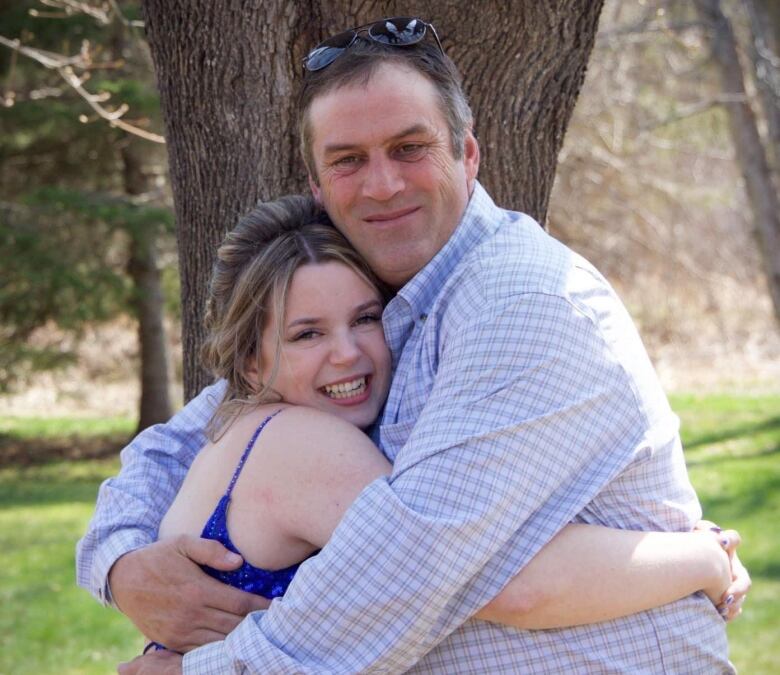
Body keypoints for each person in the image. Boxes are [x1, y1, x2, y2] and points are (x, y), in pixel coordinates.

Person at [77, 17, 747, 673]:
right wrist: (121, 561)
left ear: (468, 153)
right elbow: (184, 440)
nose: (383, 185)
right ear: (316, 186)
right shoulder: (358, 297)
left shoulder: (522, 301)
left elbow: (419, 565)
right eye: (348, 160)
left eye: (409, 148)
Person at [143, 194, 736, 654]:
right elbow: (500, 581)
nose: (348, 353)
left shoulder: (243, 428)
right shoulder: (302, 444)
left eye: (365, 319)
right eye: (308, 334)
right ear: (251, 360)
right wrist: (700, 559)